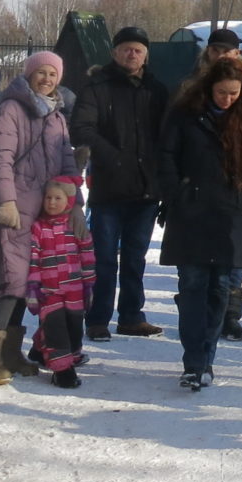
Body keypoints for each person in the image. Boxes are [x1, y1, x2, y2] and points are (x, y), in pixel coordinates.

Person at [156, 55, 242, 391]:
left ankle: (207, 359)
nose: (227, 99)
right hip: (191, 214)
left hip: (230, 216)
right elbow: (165, 156)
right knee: (192, 288)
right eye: (222, 92)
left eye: (234, 93)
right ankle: (193, 361)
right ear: (210, 87)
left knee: (220, 290)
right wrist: (177, 193)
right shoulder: (185, 114)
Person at [0, 50, 76, 383]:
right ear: (29, 73)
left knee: (29, 282)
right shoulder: (12, 109)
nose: (47, 80)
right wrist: (4, 201)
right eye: (41, 73)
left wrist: (74, 203)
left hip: (45, 214)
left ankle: (10, 351)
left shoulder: (57, 116)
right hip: (15, 209)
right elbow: (0, 159)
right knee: (10, 279)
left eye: (53, 75)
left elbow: (67, 164)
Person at [70, 26, 169, 339]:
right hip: (109, 188)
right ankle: (97, 318)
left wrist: (162, 177)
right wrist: (112, 156)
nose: (132, 54)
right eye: (126, 48)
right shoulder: (97, 87)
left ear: (146, 55)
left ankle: (131, 315)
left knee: (136, 257)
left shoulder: (156, 90)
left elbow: (168, 136)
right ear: (114, 53)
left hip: (146, 189)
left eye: (138, 49)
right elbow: (81, 129)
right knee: (103, 258)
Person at [25, 176, 93, 388]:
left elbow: (88, 254)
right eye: (48, 198)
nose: (52, 202)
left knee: (73, 325)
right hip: (49, 289)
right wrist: (33, 285)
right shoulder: (38, 228)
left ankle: (41, 351)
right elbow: (33, 258)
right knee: (55, 326)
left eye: (57, 198)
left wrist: (89, 283)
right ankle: (63, 370)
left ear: (69, 201)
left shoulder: (75, 227)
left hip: (74, 287)